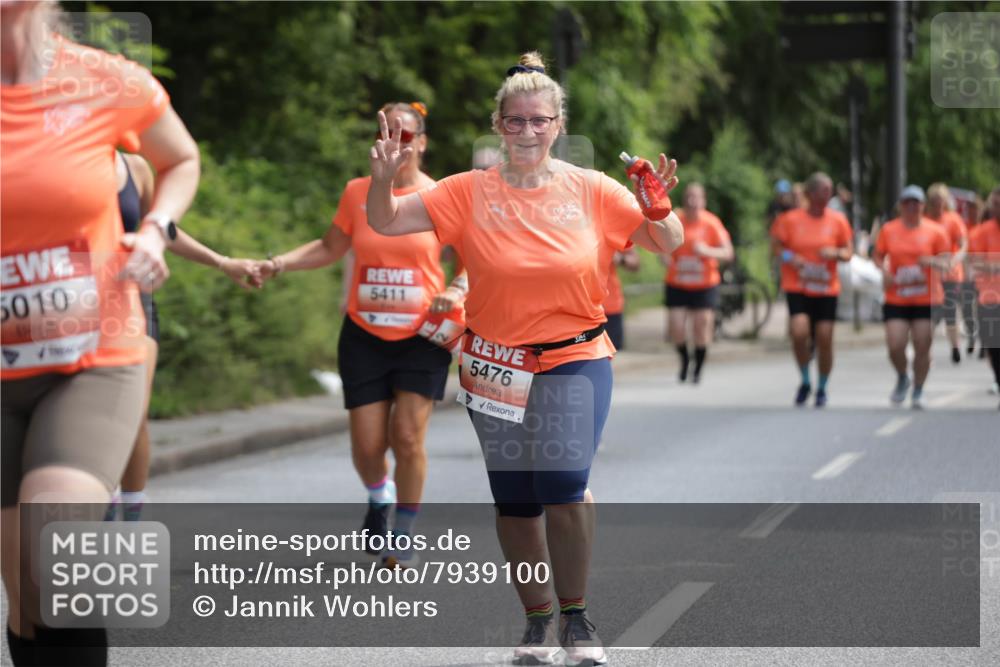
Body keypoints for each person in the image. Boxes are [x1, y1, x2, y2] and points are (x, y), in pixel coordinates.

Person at [365, 51, 684, 667]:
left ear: (558, 125)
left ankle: (577, 617)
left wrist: (657, 207)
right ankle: (537, 622)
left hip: (574, 354)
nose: (528, 132)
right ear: (499, 125)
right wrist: (383, 178)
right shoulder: (467, 190)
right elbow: (386, 219)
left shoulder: (592, 187)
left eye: (540, 120)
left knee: (564, 485)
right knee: (516, 497)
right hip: (494, 362)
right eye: (515, 121)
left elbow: (665, 245)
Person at [1, 2, 200, 664]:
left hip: (92, 356)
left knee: (59, 551)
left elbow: (180, 160)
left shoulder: (107, 80)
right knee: (27, 599)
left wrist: (155, 228)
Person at [255, 102, 466, 569]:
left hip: (421, 337)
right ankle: (379, 494)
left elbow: (471, 255)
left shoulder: (442, 196)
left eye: (406, 135)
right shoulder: (357, 193)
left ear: (423, 143)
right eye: (388, 133)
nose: (397, 143)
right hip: (364, 334)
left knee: (407, 437)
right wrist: (279, 262)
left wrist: (455, 289)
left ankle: (404, 530)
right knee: (368, 446)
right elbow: (332, 246)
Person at [106, 152, 260, 522]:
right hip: (72, 312)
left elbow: (164, 229)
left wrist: (222, 262)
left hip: (133, 304)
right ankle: (102, 503)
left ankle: (130, 514)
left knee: (131, 413)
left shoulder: (134, 169)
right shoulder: (52, 162)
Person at [770, 172, 853, 407]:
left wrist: (834, 254)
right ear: (810, 193)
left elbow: (848, 253)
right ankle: (806, 380)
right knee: (798, 333)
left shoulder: (838, 221)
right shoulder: (790, 219)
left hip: (826, 289)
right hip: (798, 285)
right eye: (822, 190)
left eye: (829, 191)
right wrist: (791, 257)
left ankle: (822, 387)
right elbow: (777, 247)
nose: (827, 195)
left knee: (825, 338)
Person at [873, 185, 951, 409]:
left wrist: (932, 262)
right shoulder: (889, 230)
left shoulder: (935, 231)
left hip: (926, 298)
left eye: (916, 202)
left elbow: (947, 262)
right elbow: (878, 256)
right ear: (901, 206)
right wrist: (884, 271)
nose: (911, 207)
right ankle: (902, 377)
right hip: (897, 296)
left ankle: (918, 389)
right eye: (907, 202)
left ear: (922, 206)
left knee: (922, 344)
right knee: (895, 344)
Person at [663, 182, 733, 383]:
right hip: (678, 282)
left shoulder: (711, 223)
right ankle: (684, 359)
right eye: (689, 197)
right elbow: (661, 246)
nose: (693, 202)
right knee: (677, 326)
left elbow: (728, 253)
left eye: (697, 198)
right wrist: (665, 257)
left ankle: (698, 368)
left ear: (704, 201)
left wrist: (707, 251)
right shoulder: (676, 219)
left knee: (701, 327)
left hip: (704, 284)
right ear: (684, 200)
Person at [926, 183, 970, 364]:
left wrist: (956, 258)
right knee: (931, 313)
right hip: (931, 274)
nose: (938, 206)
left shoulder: (953, 220)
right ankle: (925, 350)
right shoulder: (925, 219)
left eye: (941, 202)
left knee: (950, 312)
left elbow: (963, 244)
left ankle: (954, 346)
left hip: (951, 273)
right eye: (934, 202)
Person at [968, 186, 1000, 402]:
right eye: (996, 205)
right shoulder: (981, 232)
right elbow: (973, 260)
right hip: (989, 297)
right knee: (993, 346)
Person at [603, 247, 639, 350]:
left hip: (610, 306)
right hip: (579, 308)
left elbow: (636, 263)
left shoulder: (610, 231)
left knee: (611, 352)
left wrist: (621, 259)